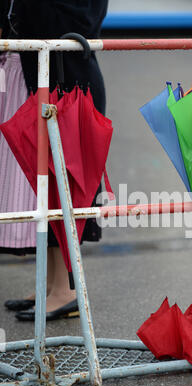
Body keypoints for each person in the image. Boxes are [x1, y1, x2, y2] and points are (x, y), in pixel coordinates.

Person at [0, 0, 109, 321]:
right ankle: (52, 284)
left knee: (63, 183)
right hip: (49, 76)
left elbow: (74, 20)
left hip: (68, 81)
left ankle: (66, 290)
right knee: (43, 183)